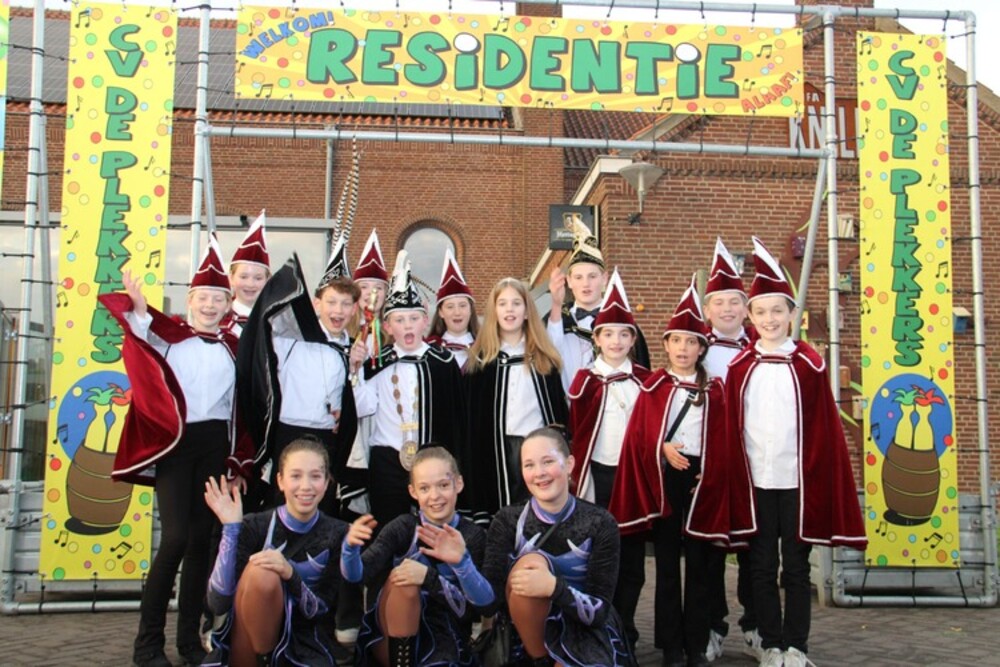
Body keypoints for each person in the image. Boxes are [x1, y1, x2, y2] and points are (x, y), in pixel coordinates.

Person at [99, 238, 250, 667]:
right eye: (203, 297)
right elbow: (140, 340)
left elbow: (242, 406)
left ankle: (188, 644)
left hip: (214, 446)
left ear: (228, 303)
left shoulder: (234, 347)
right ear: (190, 300)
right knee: (176, 538)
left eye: (218, 298)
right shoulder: (170, 340)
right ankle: (147, 644)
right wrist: (139, 309)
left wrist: (238, 460)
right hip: (176, 445)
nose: (210, 305)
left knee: (201, 541)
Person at [727, 238, 867, 667]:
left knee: (796, 568)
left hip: (797, 482)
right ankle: (770, 643)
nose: (770, 319)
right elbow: (730, 430)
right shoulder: (739, 368)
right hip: (756, 481)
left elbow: (824, 429)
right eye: (761, 312)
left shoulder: (810, 365)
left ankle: (796, 646)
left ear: (792, 315)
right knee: (760, 566)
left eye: (777, 311)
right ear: (750, 317)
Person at [611, 276, 754, 667]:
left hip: (702, 482)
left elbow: (725, 439)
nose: (683, 349)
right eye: (676, 341)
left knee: (702, 567)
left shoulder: (715, 390)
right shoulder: (654, 386)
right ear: (666, 345)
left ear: (701, 348)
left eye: (691, 342)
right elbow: (639, 436)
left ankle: (697, 644)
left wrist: (710, 472)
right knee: (668, 568)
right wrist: (661, 446)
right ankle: (671, 646)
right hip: (666, 481)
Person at [483, 426, 635, 667]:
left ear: (570, 463)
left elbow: (599, 612)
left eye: (548, 461)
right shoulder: (508, 520)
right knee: (530, 564)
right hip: (525, 636)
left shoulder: (600, 522)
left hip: (584, 631)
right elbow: (489, 602)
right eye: (529, 465)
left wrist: (553, 587)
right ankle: (540, 660)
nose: (539, 473)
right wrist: (462, 563)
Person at [236, 240, 363, 515]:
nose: (338, 311)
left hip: (326, 437)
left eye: (345, 304)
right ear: (317, 304)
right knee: (281, 505)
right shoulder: (290, 339)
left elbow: (354, 399)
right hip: (288, 433)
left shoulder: (351, 349)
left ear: (354, 309)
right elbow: (268, 318)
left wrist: (354, 371)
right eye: (331, 302)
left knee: (323, 507)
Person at [202, 437, 349, 666]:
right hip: (247, 645)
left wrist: (289, 573)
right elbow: (218, 602)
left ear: (327, 481)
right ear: (280, 481)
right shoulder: (254, 526)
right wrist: (231, 530)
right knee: (264, 571)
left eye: (315, 476)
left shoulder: (339, 533)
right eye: (296, 476)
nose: (306, 486)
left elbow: (320, 610)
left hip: (304, 644)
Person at [341, 447, 495, 666]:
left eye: (443, 485)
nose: (435, 496)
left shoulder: (472, 535)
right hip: (392, 636)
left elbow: (485, 606)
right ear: (413, 492)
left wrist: (460, 565)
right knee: (405, 579)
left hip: (448, 639)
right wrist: (350, 549)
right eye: (425, 488)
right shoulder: (403, 527)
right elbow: (358, 575)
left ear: (458, 484)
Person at [566, 268, 651, 648]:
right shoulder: (584, 381)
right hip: (596, 476)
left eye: (623, 334)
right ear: (596, 338)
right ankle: (596, 629)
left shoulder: (647, 382)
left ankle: (625, 630)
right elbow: (575, 431)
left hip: (632, 479)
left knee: (632, 560)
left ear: (632, 339)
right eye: (608, 334)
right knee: (595, 555)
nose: (616, 341)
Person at [353, 250, 466, 527]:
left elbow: (457, 417)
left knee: (434, 526)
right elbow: (364, 407)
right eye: (400, 320)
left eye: (414, 319)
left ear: (425, 321)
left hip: (432, 460)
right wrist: (355, 372)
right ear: (388, 326)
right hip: (387, 459)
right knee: (389, 527)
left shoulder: (442, 362)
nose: (407, 327)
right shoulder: (377, 362)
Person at [462, 278, 567, 525]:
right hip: (495, 448)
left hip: (537, 447)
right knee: (502, 515)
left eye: (516, 303)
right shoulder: (480, 362)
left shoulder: (543, 358)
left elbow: (557, 411)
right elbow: (471, 419)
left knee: (537, 513)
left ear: (527, 311)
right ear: (494, 312)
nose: (509, 309)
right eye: (503, 304)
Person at [701, 237, 760, 662]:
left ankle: (756, 628)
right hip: (708, 463)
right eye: (719, 302)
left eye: (734, 302)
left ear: (746, 308)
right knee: (709, 552)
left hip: (753, 463)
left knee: (754, 551)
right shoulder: (694, 348)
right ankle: (712, 626)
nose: (727, 309)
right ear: (707, 309)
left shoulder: (761, 348)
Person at [547, 215, 649, 391]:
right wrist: (556, 305)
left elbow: (640, 372)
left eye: (592, 276)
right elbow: (546, 357)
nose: (585, 284)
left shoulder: (622, 322)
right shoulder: (559, 321)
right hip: (566, 404)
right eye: (578, 277)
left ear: (604, 279)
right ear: (569, 281)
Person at [426, 248, 479, 370]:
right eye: (450, 307)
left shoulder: (486, 349)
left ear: (471, 310)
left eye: (462, 305)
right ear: (441, 312)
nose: (457, 312)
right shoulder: (429, 350)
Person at [222, 209, 271, 336]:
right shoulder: (217, 320)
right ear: (231, 278)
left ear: (268, 281)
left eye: (258, 278)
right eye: (243, 277)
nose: (250, 284)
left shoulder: (277, 323)